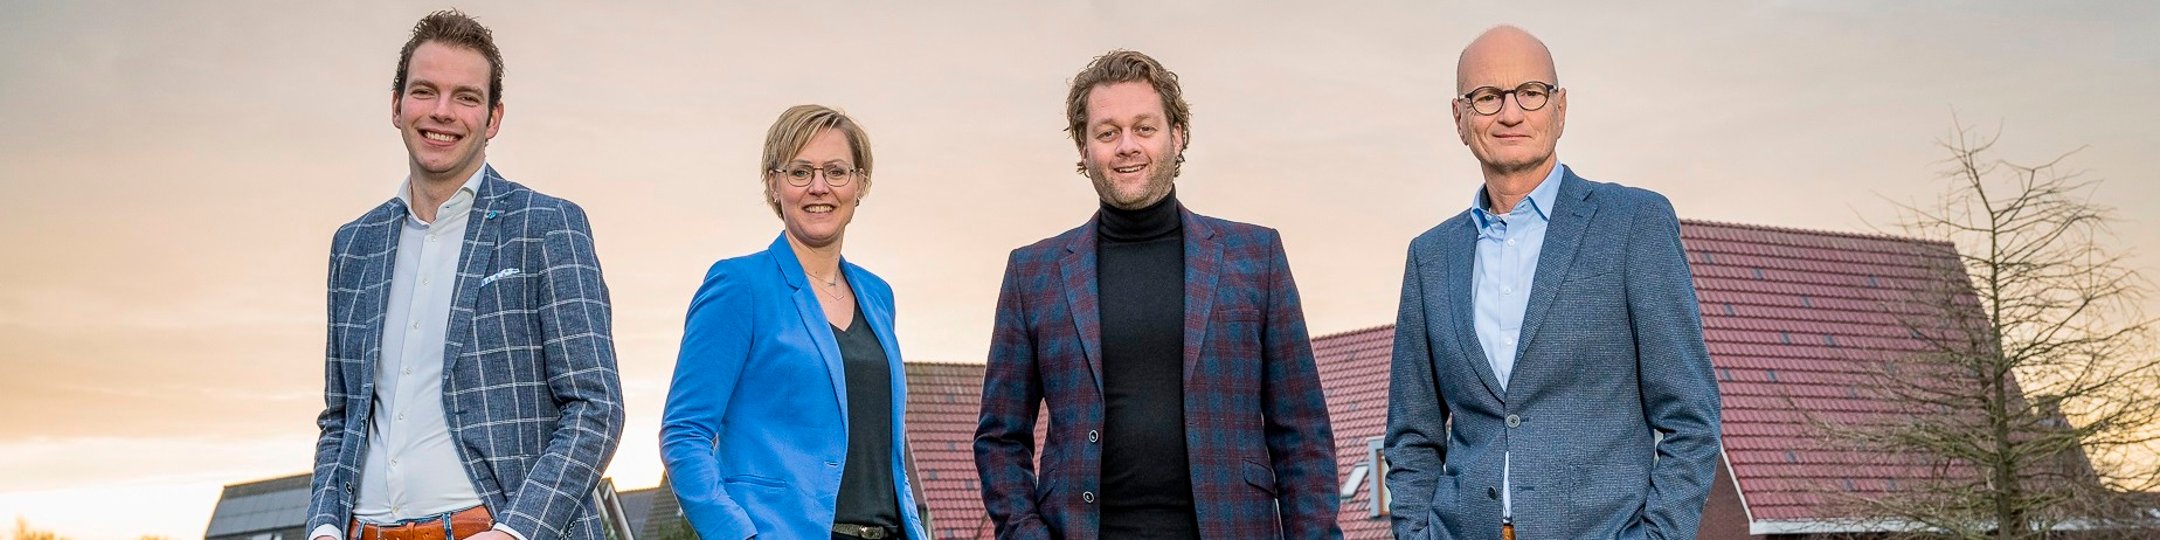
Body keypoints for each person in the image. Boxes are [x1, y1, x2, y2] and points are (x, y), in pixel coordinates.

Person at [973, 49, 1340, 540]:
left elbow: (1303, 435)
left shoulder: (1256, 257)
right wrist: (1026, 532)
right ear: (1084, 149)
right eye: (1107, 133)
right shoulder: (1033, 273)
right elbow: (1000, 438)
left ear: (1178, 136)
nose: (1127, 146)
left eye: (1144, 128)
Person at [1384, 25, 1722, 540]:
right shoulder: (1431, 256)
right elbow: (1412, 435)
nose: (1511, 113)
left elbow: (1691, 418)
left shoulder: (1634, 224)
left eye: (1531, 93)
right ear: (1459, 117)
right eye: (1487, 96)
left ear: (1560, 108)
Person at [306, 9, 624, 540]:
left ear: (493, 118)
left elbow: (596, 408)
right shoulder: (353, 246)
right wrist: (321, 528)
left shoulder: (546, 226)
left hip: (492, 527)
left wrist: (516, 532)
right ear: (396, 106)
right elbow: (341, 417)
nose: (442, 112)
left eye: (466, 97)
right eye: (425, 91)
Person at [660, 105, 931, 540]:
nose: (819, 187)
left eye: (836, 171)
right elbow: (684, 435)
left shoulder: (879, 296)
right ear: (774, 183)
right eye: (801, 172)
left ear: (860, 183)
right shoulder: (738, 286)